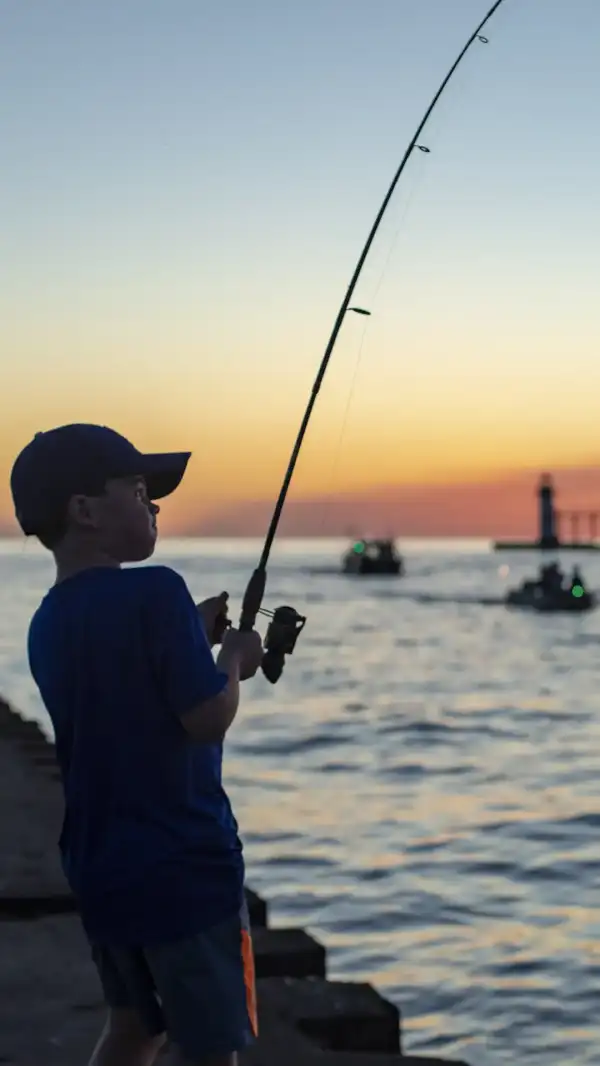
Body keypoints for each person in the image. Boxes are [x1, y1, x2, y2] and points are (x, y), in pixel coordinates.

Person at [9, 423, 264, 1066]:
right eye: (140, 489)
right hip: (184, 866)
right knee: (209, 1047)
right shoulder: (157, 591)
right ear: (86, 510)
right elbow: (206, 716)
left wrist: (190, 637)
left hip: (103, 866)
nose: (155, 505)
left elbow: (125, 691)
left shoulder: (48, 621)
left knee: (134, 1028)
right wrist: (232, 658)